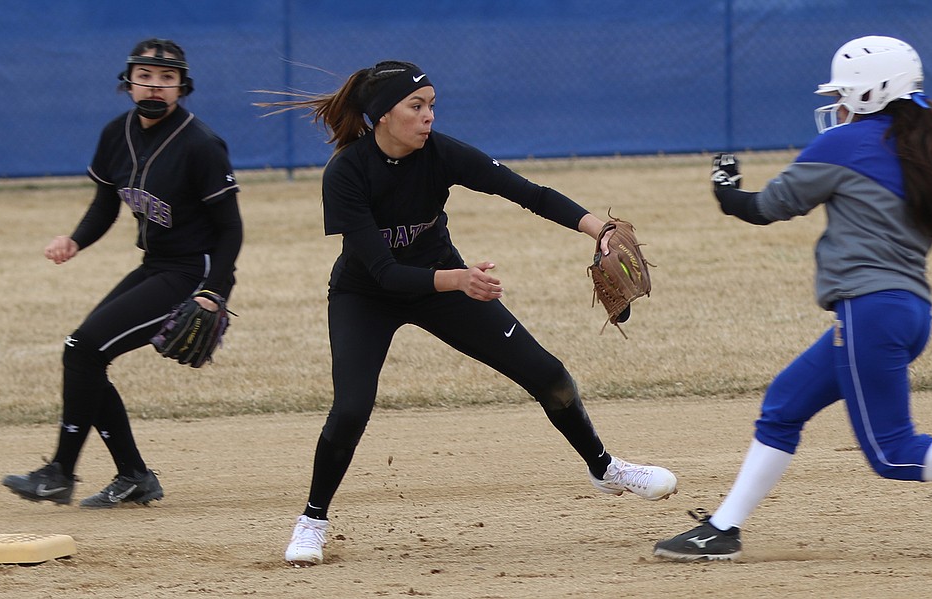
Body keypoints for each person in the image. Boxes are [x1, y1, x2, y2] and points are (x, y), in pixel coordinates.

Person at [652, 35, 932, 561]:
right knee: (782, 407)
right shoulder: (920, 146)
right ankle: (723, 528)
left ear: (874, 91)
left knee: (891, 453)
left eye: (846, 94)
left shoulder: (845, 144)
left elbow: (766, 207)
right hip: (904, 311)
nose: (839, 105)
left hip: (871, 311)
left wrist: (725, 190)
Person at [255, 60, 677, 566]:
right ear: (382, 116)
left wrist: (597, 229)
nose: (429, 115)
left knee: (549, 375)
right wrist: (459, 280)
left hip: (443, 283)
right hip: (366, 296)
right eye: (417, 106)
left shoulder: (440, 153)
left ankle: (604, 468)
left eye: (431, 104)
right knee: (350, 408)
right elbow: (386, 274)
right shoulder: (346, 173)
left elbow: (528, 193)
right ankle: (312, 520)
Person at [1, 38, 243, 509]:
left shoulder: (201, 145)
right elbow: (106, 202)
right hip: (155, 266)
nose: (156, 85)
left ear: (182, 87)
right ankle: (132, 475)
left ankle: (59, 474)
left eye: (167, 78)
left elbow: (230, 229)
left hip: (191, 274)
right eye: (146, 76)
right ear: (129, 82)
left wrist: (216, 290)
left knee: (84, 349)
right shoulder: (117, 132)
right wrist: (75, 239)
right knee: (86, 354)